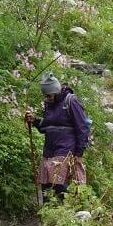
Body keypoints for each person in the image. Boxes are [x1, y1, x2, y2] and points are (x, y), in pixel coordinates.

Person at [25, 72, 89, 202]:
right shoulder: (49, 105)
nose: (47, 98)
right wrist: (35, 121)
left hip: (65, 151)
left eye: (49, 95)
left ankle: (63, 218)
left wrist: (79, 153)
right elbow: (46, 127)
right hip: (49, 152)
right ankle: (47, 220)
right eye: (45, 96)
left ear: (56, 91)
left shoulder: (71, 101)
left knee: (60, 188)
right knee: (46, 188)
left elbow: (82, 128)